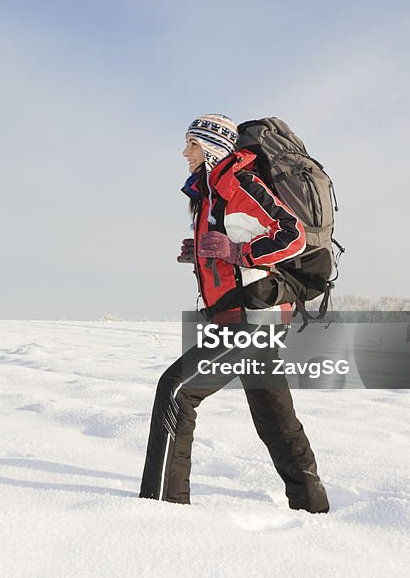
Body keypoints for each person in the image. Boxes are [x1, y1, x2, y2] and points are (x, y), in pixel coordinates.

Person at [138, 114, 329, 513]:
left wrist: (237, 253)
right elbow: (235, 240)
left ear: (211, 147)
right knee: (275, 418)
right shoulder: (210, 193)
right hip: (244, 315)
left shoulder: (238, 183)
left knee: (176, 390)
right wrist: (203, 253)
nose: (184, 152)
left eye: (192, 144)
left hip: (254, 317)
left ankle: (160, 510)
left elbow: (290, 235)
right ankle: (312, 506)